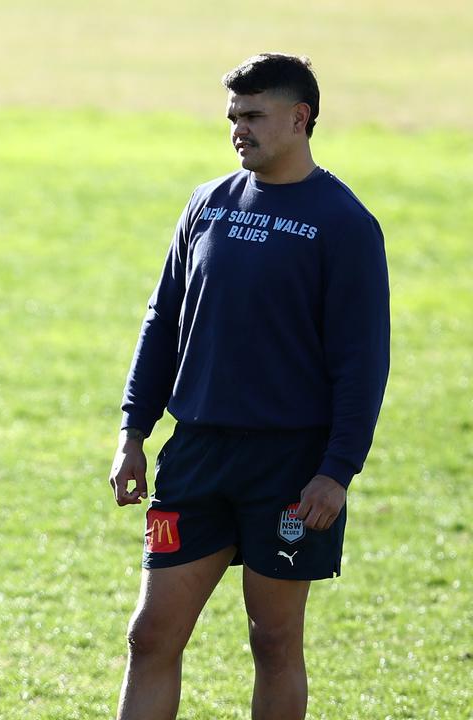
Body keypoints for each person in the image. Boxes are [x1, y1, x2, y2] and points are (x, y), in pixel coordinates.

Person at [106, 53, 389, 719]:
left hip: (288, 467)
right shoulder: (207, 204)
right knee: (150, 636)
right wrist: (133, 431)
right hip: (197, 454)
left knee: (274, 638)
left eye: (254, 115)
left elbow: (362, 362)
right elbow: (161, 323)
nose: (238, 128)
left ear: (300, 118)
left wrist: (338, 470)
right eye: (233, 115)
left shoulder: (344, 224)